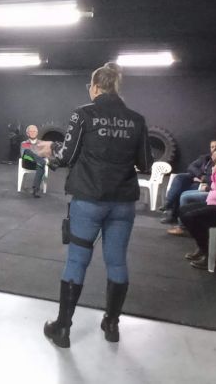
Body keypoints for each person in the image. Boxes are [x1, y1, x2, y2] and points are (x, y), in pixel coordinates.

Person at [33, 62, 149, 348]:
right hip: (123, 203)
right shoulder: (136, 119)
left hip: (88, 200)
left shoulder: (83, 114)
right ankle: (111, 325)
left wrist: (51, 149)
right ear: (116, 86)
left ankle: (62, 329)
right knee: (117, 261)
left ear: (95, 87)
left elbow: (67, 156)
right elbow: (146, 163)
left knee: (77, 261)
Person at [160, 139, 216, 223]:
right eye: (212, 147)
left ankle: (175, 217)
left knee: (180, 190)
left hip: (205, 184)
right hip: (196, 179)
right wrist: (200, 175)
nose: (214, 149)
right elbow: (191, 167)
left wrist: (203, 179)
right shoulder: (205, 158)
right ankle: (168, 203)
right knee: (180, 178)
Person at [20, 124, 49, 198]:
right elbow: (24, 155)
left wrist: (39, 157)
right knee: (27, 151)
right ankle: (41, 161)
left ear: (37, 133)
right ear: (27, 133)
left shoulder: (42, 143)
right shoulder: (24, 143)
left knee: (40, 165)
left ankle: (35, 189)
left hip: (38, 164)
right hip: (28, 163)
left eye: (34, 131)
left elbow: (44, 154)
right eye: (31, 131)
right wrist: (37, 157)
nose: (33, 133)